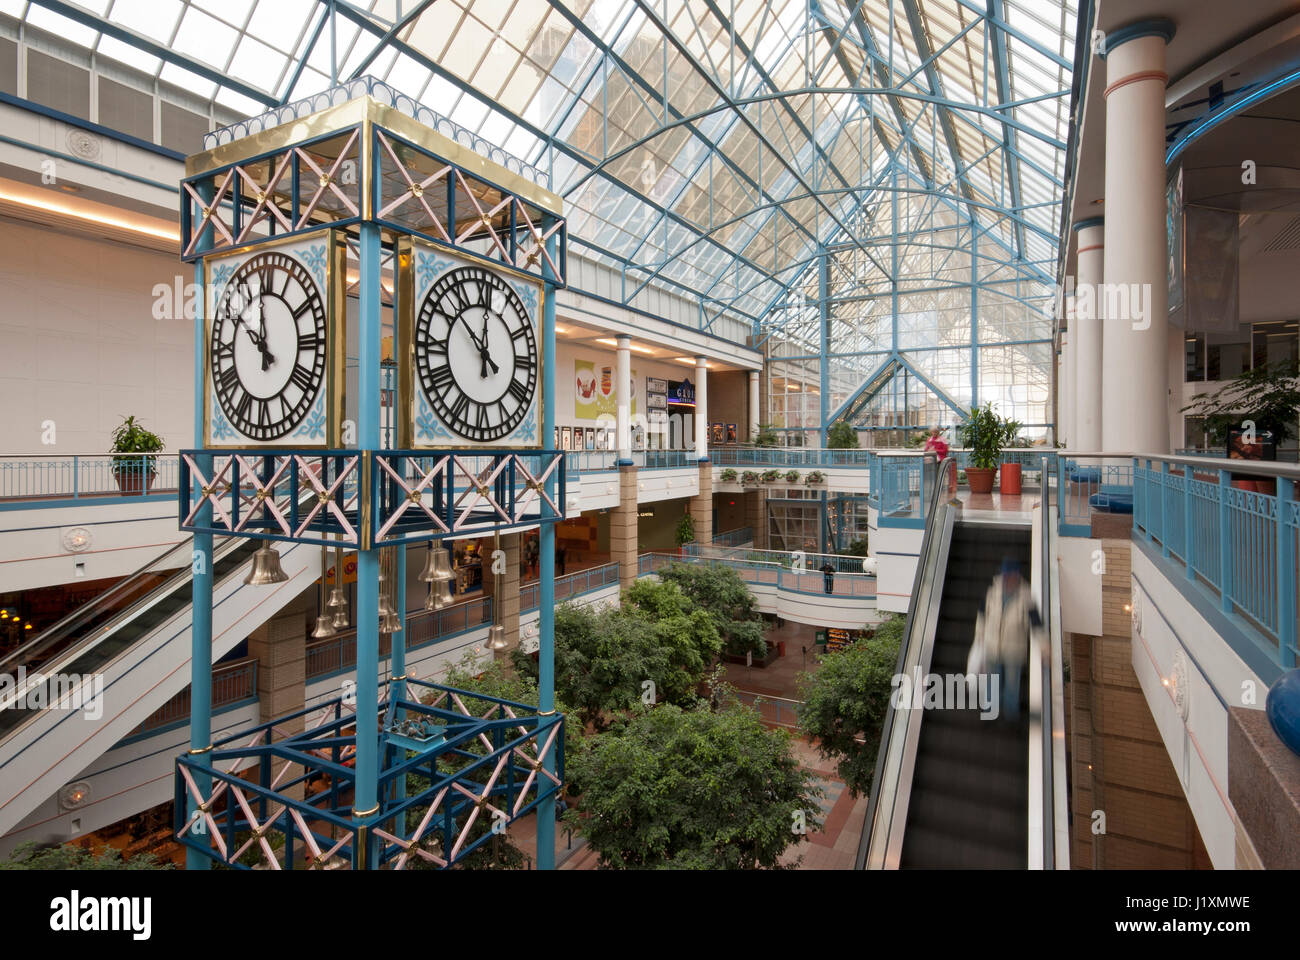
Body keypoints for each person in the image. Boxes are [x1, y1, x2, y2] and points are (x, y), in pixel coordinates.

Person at [969, 558, 1040, 720]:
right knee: (991, 683)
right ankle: (989, 712)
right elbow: (981, 615)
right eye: (1005, 575)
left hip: (1013, 650)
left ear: (1017, 576)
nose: (1007, 579)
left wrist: (1044, 646)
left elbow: (1036, 623)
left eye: (1010, 576)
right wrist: (979, 636)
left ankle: (1010, 715)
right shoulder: (992, 592)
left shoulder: (1026, 597)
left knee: (1012, 686)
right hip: (992, 646)